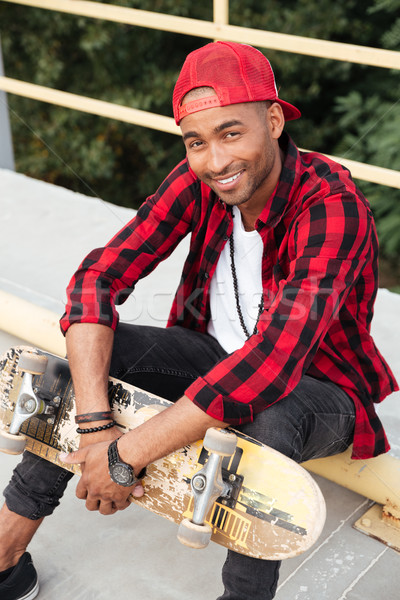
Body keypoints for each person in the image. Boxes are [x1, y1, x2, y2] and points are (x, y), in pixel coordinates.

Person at [0, 41, 398, 600]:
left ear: (275, 120)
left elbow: (270, 363)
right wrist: (96, 425)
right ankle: (4, 555)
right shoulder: (202, 181)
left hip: (320, 389)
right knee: (91, 357)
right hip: (212, 356)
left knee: (268, 419)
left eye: (231, 133)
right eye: (196, 141)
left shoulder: (333, 208)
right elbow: (98, 279)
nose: (214, 161)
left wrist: (124, 456)